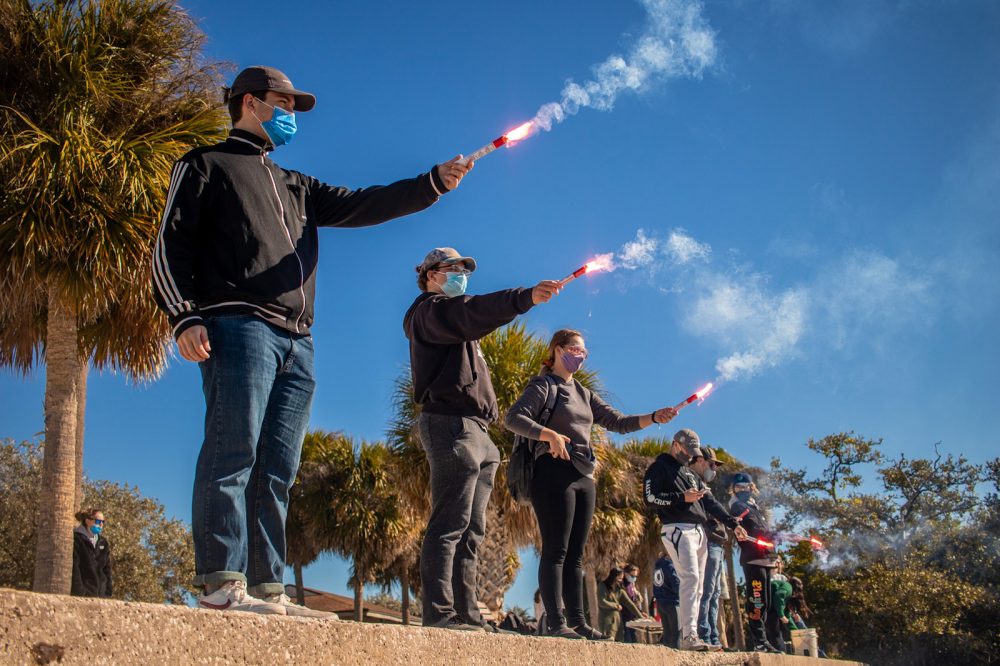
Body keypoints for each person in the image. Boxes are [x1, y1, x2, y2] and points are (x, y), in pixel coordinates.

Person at [152, 65, 472, 617]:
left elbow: (365, 203)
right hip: (238, 326)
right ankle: (221, 585)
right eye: (286, 103)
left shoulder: (297, 184)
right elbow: (168, 246)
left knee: (279, 466)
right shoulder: (205, 164)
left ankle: (268, 587)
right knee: (234, 452)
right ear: (250, 102)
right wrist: (184, 316)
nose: (292, 115)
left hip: (298, 342)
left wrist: (433, 183)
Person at [405, 248, 561, 632]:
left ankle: (467, 614)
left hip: (480, 433)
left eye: (465, 270)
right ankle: (439, 614)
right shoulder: (429, 311)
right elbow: (470, 312)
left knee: (472, 531)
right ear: (430, 276)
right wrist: (522, 298)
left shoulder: (458, 328)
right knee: (450, 523)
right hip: (450, 425)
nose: (461, 274)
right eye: (452, 269)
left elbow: (469, 320)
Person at [505, 329, 676, 640]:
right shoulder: (544, 385)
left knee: (576, 555)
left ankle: (579, 622)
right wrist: (550, 435)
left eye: (584, 352)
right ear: (557, 350)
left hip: (584, 475)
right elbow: (513, 418)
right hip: (551, 471)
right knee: (555, 549)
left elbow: (617, 422)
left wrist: (654, 417)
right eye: (574, 349)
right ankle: (556, 623)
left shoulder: (584, 393)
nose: (580, 356)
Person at [643, 429, 747, 651]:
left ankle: (694, 635)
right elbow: (650, 498)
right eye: (687, 450)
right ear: (676, 444)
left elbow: (710, 503)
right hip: (677, 528)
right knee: (689, 579)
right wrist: (681, 497)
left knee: (699, 586)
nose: (690, 455)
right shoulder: (658, 467)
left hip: (700, 531)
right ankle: (688, 637)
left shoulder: (690, 474)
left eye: (693, 452)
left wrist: (733, 524)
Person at [729, 471, 782, 653]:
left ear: (752, 488)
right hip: (752, 560)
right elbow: (736, 523)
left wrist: (775, 549)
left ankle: (765, 641)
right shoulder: (737, 506)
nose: (743, 490)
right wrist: (736, 524)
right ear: (733, 489)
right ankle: (759, 642)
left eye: (746, 487)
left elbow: (765, 533)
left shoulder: (756, 508)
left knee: (766, 603)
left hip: (767, 559)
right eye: (739, 487)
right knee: (757, 602)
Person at [690, 446, 727, 650]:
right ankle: (704, 634)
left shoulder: (706, 487)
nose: (714, 468)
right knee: (705, 591)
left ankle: (713, 637)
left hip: (718, 543)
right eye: (711, 464)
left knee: (715, 593)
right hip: (707, 541)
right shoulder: (693, 483)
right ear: (699, 461)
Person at [71, 508, 112, 598]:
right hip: (83, 595)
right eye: (98, 521)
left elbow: (107, 570)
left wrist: (107, 593)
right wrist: (79, 592)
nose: (101, 524)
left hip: (101, 597)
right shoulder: (76, 539)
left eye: (103, 522)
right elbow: (75, 567)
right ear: (87, 521)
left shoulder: (103, 543)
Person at [652, 552, 680, 648]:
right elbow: (676, 583)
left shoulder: (657, 567)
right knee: (676, 633)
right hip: (672, 602)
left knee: (667, 632)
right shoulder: (670, 565)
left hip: (661, 603)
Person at [620, 563, 648, 642]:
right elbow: (629, 603)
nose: (634, 578)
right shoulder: (622, 585)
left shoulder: (631, 584)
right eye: (632, 576)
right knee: (627, 639)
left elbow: (634, 601)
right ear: (626, 574)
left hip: (632, 616)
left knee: (634, 638)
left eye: (635, 576)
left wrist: (641, 611)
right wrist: (639, 613)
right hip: (624, 616)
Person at [769, 558, 792, 653]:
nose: (776, 564)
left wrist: (790, 612)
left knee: (784, 631)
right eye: (774, 562)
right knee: (775, 632)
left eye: (778, 562)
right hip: (772, 609)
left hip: (781, 608)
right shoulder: (766, 577)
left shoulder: (783, 578)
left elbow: (785, 597)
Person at [597, 568, 625, 640]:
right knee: (608, 641)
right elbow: (601, 602)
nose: (621, 580)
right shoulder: (602, 586)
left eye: (622, 579)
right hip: (607, 620)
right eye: (619, 578)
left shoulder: (619, 590)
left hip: (618, 622)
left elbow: (631, 605)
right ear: (614, 577)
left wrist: (641, 616)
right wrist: (616, 605)